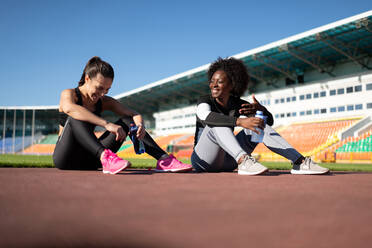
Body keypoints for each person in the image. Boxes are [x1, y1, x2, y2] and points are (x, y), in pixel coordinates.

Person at [53, 56, 192, 174]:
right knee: (75, 117)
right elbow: (70, 108)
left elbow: (134, 114)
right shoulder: (69, 94)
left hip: (90, 159)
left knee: (127, 121)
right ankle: (105, 157)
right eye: (100, 88)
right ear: (87, 78)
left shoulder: (105, 101)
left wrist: (140, 126)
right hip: (66, 157)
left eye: (107, 89)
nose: (102, 94)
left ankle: (164, 160)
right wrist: (107, 124)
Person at [191, 57, 329, 175]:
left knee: (258, 123)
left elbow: (268, 123)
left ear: (231, 85)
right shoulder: (205, 100)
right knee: (216, 122)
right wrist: (239, 121)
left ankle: (300, 162)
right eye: (212, 81)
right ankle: (244, 161)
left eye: (219, 81)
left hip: (229, 161)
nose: (213, 85)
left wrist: (262, 111)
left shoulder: (239, 104)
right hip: (204, 160)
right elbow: (205, 116)